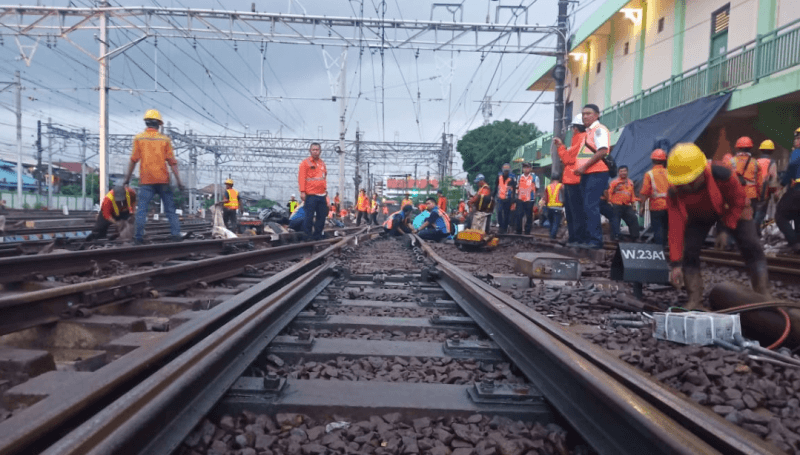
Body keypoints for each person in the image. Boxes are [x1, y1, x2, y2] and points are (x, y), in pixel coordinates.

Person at [666, 143, 769, 309]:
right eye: (684, 182)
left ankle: (763, 294)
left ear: (701, 171)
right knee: (689, 250)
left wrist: (725, 229)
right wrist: (676, 264)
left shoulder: (723, 175)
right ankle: (695, 299)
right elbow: (675, 228)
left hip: (732, 209)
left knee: (751, 244)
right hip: (700, 215)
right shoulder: (674, 191)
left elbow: (737, 201)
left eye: (691, 181)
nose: (687, 186)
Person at [123, 109, 183, 245]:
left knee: (142, 209)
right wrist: (179, 181)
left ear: (146, 123)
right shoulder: (165, 140)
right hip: (163, 180)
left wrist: (127, 179)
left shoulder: (139, 138)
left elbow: (133, 160)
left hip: (146, 180)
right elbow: (172, 162)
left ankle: (138, 237)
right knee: (170, 209)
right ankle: (176, 235)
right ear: (159, 124)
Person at [574, 104, 611, 249]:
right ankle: (589, 238)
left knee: (591, 206)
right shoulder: (589, 132)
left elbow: (602, 151)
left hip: (597, 172)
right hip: (588, 173)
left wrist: (583, 166)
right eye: (583, 114)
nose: (584, 116)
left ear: (597, 115)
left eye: (588, 113)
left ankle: (595, 241)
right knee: (587, 206)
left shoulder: (599, 130)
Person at [554, 114, 587, 247]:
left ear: (576, 128)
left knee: (575, 212)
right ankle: (574, 238)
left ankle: (576, 239)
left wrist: (561, 146)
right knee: (573, 212)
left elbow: (567, 159)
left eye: (573, 127)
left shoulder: (580, 140)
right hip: (572, 181)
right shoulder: (579, 140)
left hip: (574, 181)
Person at [298, 142, 328, 240]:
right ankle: (307, 236)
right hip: (310, 194)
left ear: (320, 151)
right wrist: (302, 191)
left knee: (321, 216)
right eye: (313, 150)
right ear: (310, 151)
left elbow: (324, 178)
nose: (315, 151)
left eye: (317, 150)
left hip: (321, 194)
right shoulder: (305, 163)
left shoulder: (322, 163)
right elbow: (301, 178)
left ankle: (317, 235)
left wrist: (325, 192)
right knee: (309, 216)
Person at [777, 128, 800, 253]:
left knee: (780, 216)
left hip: (796, 190)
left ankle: (794, 242)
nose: (795, 141)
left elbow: (792, 166)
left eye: (797, 138)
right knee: (798, 216)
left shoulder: (797, 152)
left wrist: (783, 183)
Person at [639, 149, 669, 246]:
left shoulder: (649, 174)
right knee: (666, 229)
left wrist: (642, 206)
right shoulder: (669, 173)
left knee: (658, 229)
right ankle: (665, 250)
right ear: (664, 160)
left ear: (652, 160)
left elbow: (645, 192)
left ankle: (659, 252)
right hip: (669, 206)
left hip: (656, 207)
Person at [607, 165, 640, 241]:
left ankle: (635, 237)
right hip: (616, 205)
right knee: (615, 220)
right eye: (621, 171)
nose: (623, 173)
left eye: (624, 171)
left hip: (627, 206)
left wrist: (634, 204)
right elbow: (609, 192)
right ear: (618, 173)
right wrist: (609, 202)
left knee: (633, 218)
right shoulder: (614, 182)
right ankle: (616, 237)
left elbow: (632, 195)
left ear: (627, 172)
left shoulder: (630, 182)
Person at [731, 136, 763, 212]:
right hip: (751, 195)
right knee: (750, 220)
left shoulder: (731, 162)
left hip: (736, 195)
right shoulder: (755, 163)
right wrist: (759, 196)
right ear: (750, 148)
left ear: (737, 148)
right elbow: (759, 183)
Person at [754, 139, 779, 235]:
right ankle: (756, 233)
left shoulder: (755, 161)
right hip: (764, 190)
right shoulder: (771, 162)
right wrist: (775, 192)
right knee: (760, 213)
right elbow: (773, 178)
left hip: (754, 190)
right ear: (772, 151)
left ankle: (753, 232)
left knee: (754, 212)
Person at [493, 163, 516, 233]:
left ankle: (505, 228)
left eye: (507, 171)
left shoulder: (512, 178)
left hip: (508, 199)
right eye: (505, 171)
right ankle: (501, 227)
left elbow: (514, 189)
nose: (506, 172)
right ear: (502, 170)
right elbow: (496, 187)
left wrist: (513, 199)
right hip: (500, 198)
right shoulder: (499, 177)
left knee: (506, 214)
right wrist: (493, 196)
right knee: (499, 212)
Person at [515, 162, 537, 235]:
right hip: (520, 199)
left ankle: (527, 232)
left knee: (529, 216)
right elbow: (517, 187)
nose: (526, 169)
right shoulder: (519, 177)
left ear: (530, 168)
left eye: (527, 167)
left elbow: (537, 188)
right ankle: (518, 231)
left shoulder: (534, 177)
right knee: (519, 215)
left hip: (530, 199)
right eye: (524, 167)